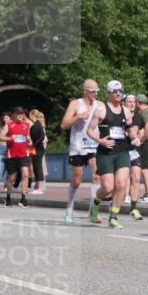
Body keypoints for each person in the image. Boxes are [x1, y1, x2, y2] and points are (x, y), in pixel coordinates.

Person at [86, 80, 141, 228]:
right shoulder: (101, 109)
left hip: (122, 151)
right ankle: (95, 205)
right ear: (108, 93)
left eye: (120, 91)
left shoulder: (126, 111)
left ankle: (113, 217)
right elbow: (89, 131)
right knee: (108, 187)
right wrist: (100, 141)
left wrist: (135, 137)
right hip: (106, 152)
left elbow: (130, 130)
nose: (118, 94)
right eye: (115, 91)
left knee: (122, 184)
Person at [60, 80, 101, 224]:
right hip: (78, 147)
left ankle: (92, 212)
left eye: (97, 91)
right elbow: (63, 125)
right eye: (92, 91)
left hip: (94, 145)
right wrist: (78, 117)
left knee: (97, 177)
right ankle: (69, 208)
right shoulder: (75, 104)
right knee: (77, 181)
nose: (95, 93)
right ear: (84, 91)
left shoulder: (100, 105)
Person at [0, 107, 33, 208]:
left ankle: (23, 199)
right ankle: (8, 197)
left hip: (23, 154)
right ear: (14, 115)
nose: (21, 115)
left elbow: (27, 136)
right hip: (11, 155)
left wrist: (29, 140)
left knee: (25, 174)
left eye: (22, 114)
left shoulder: (26, 125)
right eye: (19, 114)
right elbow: (1, 137)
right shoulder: (9, 125)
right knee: (12, 178)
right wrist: (9, 138)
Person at [122, 94, 145, 221]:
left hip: (133, 151)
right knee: (120, 181)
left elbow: (137, 131)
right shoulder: (119, 115)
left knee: (136, 177)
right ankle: (113, 206)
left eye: (133, 102)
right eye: (129, 101)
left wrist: (139, 136)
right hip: (120, 150)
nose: (131, 104)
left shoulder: (138, 117)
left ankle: (133, 208)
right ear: (123, 103)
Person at [27, 109, 47, 195]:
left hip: (37, 149)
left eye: (30, 115)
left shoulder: (36, 126)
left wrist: (32, 143)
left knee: (37, 168)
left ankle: (39, 188)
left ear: (32, 115)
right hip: (38, 148)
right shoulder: (39, 125)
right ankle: (38, 186)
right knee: (36, 167)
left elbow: (40, 137)